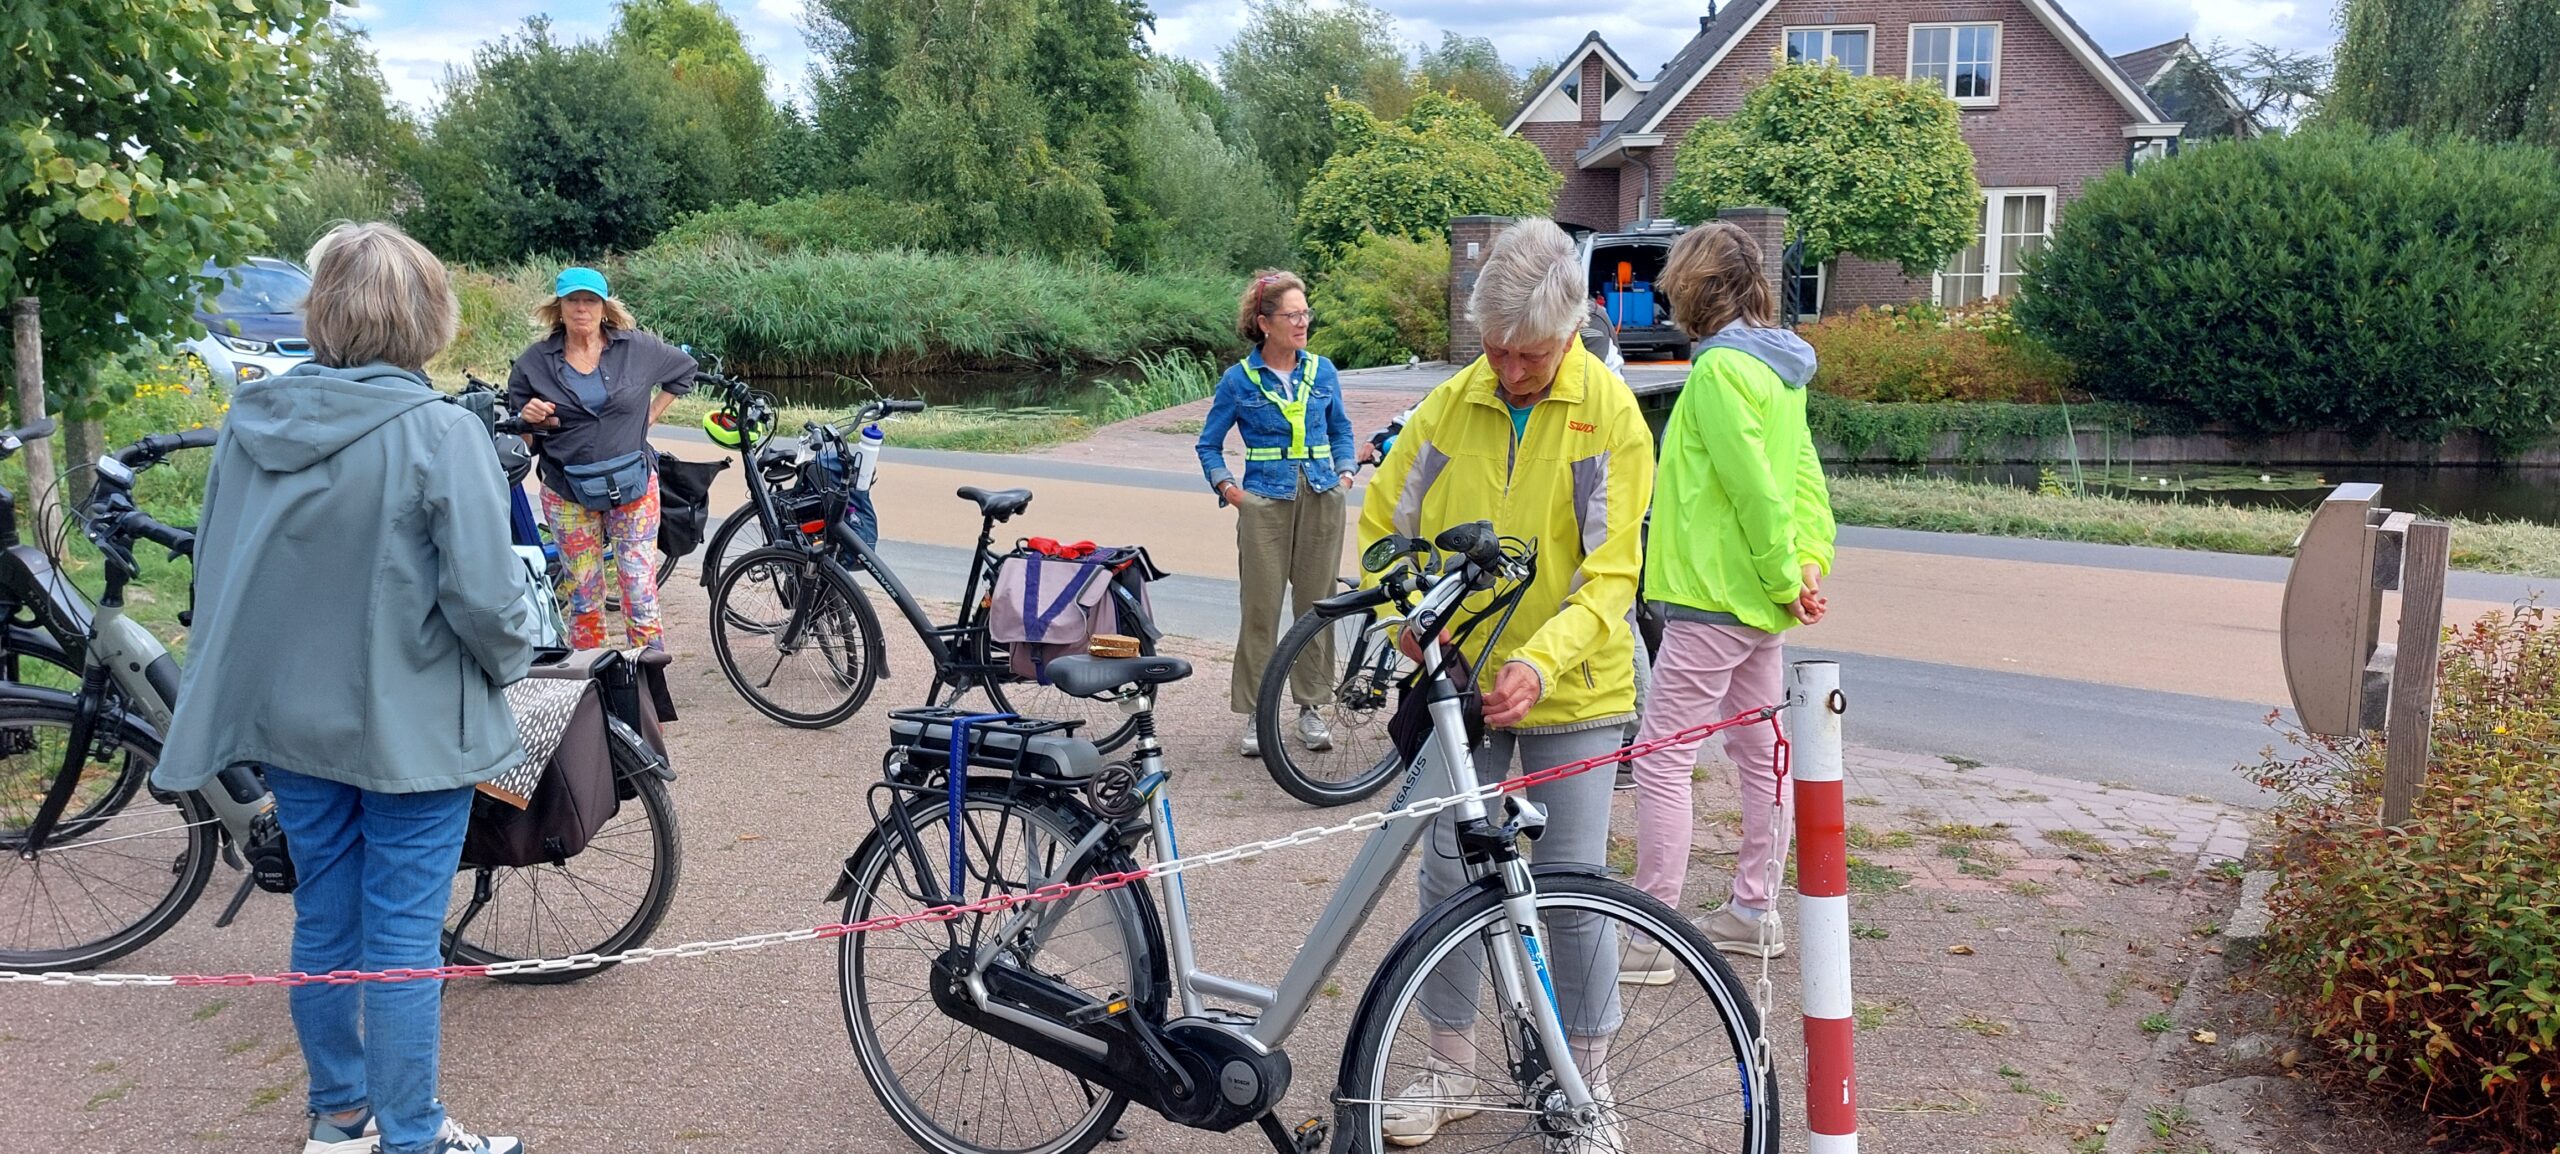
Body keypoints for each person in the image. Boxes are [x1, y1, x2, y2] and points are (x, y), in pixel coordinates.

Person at [153, 222, 536, 1154]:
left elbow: (218, 568)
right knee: (404, 939)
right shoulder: (443, 432)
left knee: (325, 919)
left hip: (292, 722)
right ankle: (413, 1135)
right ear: (428, 318)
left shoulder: (250, 423)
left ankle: (339, 1116)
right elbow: (488, 599)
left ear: (320, 315)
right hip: (412, 730)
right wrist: (518, 654)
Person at [1357, 218, 1655, 1146]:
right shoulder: (1451, 404)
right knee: (1448, 871)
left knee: (1570, 885)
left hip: (1575, 688)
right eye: (1493, 352)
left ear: (1569, 332)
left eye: (1526, 356)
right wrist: (1397, 622)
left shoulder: (1609, 412)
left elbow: (1612, 574)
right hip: (1461, 684)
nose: (1509, 372)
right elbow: (1381, 528)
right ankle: (1450, 1072)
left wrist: (1541, 660)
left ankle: (1586, 1087)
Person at [1621, 220, 1835, 975]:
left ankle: (1651, 934)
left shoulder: (1717, 373)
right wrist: (1805, 571)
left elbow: (1751, 490)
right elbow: (1803, 483)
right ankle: (1753, 908)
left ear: (1693, 287)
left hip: (1712, 596)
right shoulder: (1780, 371)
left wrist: (1786, 573)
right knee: (1756, 753)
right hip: (1760, 603)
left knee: (1659, 759)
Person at [1195, 270, 1358, 757]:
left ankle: (1311, 708)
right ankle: (1255, 714)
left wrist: (1346, 474)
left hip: (1322, 497)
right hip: (1265, 502)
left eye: (1305, 312)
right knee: (1261, 612)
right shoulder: (1238, 380)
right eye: (1292, 315)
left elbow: (1342, 431)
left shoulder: (1322, 371)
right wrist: (1230, 490)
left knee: (1317, 607)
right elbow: (1209, 445)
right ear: (1265, 323)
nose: (1303, 321)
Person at [507, 267, 697, 651]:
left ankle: (647, 696)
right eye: (573, 301)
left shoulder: (637, 349)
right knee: (584, 602)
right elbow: (525, 441)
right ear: (558, 307)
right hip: (567, 491)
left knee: (641, 600)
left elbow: (684, 371)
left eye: (590, 301)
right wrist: (528, 419)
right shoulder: (533, 363)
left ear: (604, 307)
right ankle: (593, 696)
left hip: (635, 488)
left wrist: (649, 417)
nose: (581, 309)